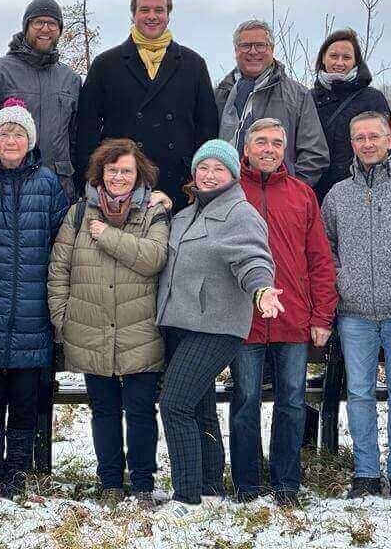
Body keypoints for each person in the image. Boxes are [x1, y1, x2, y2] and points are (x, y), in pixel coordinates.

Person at [153, 139, 284, 524]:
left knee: (174, 404)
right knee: (200, 408)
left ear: (232, 175)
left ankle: (187, 496)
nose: (209, 175)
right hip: (181, 323)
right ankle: (210, 490)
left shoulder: (239, 214)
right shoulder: (186, 213)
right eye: (203, 168)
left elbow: (254, 259)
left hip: (215, 326)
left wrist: (261, 290)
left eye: (219, 169)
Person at [47, 138, 170, 507]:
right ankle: (110, 482)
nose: (119, 177)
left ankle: (144, 483)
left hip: (140, 329)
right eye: (112, 170)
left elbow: (154, 259)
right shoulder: (79, 214)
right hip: (90, 327)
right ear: (100, 173)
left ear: (139, 175)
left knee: (140, 410)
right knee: (103, 410)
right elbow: (59, 270)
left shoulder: (153, 212)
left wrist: (108, 236)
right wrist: (64, 319)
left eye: (126, 171)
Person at [321, 111, 391, 501]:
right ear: (351, 144)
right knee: (359, 392)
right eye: (359, 138)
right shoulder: (338, 194)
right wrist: (342, 280)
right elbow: (326, 247)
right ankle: (367, 471)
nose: (367, 144)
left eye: (375, 136)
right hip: (354, 313)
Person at [0, 99, 68, 499]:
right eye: (4, 133)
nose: (11, 139)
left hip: (32, 311)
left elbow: (61, 242)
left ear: (30, 140)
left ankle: (16, 474)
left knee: (24, 400)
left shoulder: (48, 184)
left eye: (19, 133)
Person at [231, 119, 338, 507]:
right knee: (244, 400)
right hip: (243, 319)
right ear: (246, 148)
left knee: (291, 401)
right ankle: (246, 482)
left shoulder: (302, 195)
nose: (269, 149)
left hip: (293, 317)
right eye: (261, 141)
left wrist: (322, 316)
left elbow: (320, 260)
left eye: (277, 143)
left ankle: (286, 481)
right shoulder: (229, 192)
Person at [76, 0, 218, 212]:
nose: (152, 16)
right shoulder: (106, 64)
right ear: (133, 15)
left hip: (179, 183)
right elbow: (86, 129)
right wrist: (92, 179)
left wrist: (199, 177)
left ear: (168, 16)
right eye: (144, 10)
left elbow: (207, 128)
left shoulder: (193, 64)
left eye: (159, 10)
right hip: (120, 184)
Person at [0, 0, 81, 196]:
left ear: (59, 30)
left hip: (59, 191)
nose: (45, 29)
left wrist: (78, 183)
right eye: (38, 22)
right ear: (26, 27)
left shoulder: (70, 79)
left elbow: (76, 139)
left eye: (52, 23)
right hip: (5, 192)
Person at [215, 19, 329, 187]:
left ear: (272, 49)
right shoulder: (220, 94)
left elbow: (315, 154)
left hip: (278, 201)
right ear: (236, 50)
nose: (253, 52)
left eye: (261, 45)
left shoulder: (298, 95)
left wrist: (291, 192)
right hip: (225, 195)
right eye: (246, 45)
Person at [310, 28, 391, 204]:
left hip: (361, 192)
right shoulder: (308, 99)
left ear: (355, 62)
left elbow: (386, 148)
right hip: (316, 192)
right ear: (323, 58)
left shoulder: (372, 98)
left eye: (346, 57)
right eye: (333, 56)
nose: (339, 62)